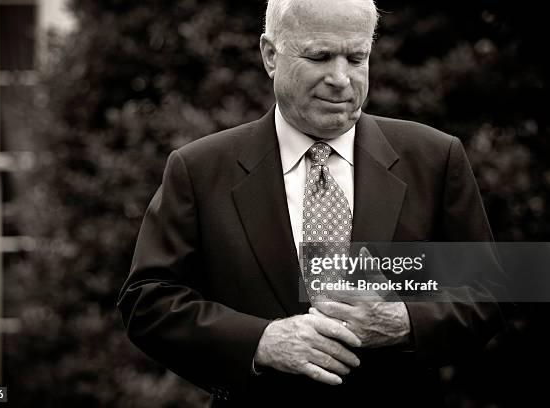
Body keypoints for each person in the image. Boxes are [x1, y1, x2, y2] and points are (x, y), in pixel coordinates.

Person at [118, 0, 505, 405]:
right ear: (271, 55)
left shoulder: (434, 157)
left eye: (356, 58)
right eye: (320, 56)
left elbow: (491, 290)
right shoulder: (198, 168)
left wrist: (404, 322)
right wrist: (261, 341)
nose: (341, 78)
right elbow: (147, 300)